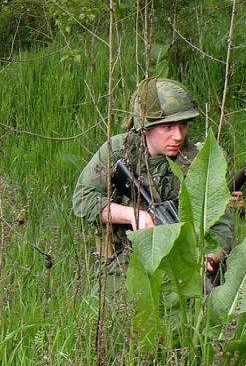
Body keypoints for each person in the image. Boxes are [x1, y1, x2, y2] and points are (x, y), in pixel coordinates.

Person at [71, 77, 233, 275]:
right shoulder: (118, 151)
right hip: (124, 261)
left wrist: (211, 257)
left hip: (185, 264)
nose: (179, 135)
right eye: (167, 127)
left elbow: (221, 222)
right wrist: (133, 216)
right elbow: (83, 198)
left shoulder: (197, 162)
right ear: (144, 126)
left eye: (183, 125)